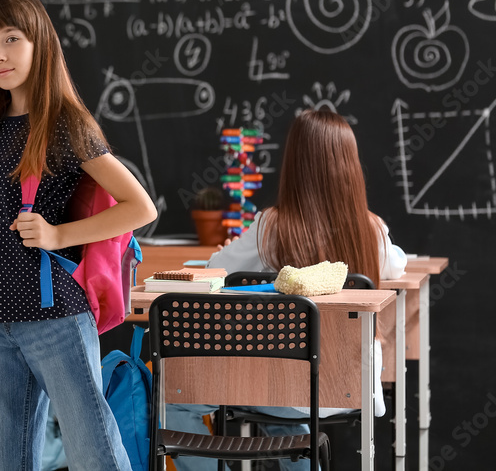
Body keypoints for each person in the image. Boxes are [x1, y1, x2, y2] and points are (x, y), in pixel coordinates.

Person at [0, 0, 157, 471]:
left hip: (54, 319)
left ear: (39, 43)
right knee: (7, 459)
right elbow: (5, 205)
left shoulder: (66, 123)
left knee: (94, 453)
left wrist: (59, 236)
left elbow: (140, 206)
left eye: (11, 39)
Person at [166, 109, 407, 471]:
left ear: (293, 163)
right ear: (351, 166)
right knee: (283, 410)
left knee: (174, 402)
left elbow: (219, 265)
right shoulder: (371, 230)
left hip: (288, 386)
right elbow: (397, 265)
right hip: (352, 386)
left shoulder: (270, 227)